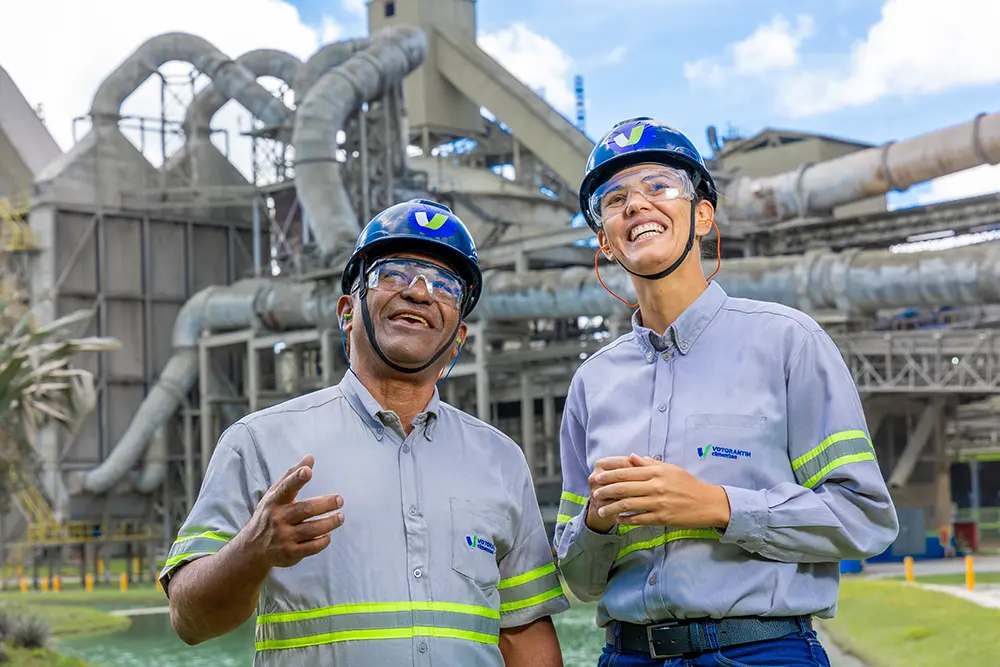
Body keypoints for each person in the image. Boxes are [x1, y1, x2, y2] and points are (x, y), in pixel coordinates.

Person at [159, 199, 569, 666]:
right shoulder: (258, 442)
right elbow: (188, 621)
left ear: (458, 338)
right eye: (394, 273)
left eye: (444, 285)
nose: (419, 293)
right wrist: (251, 552)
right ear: (347, 311)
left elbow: (524, 633)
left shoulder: (499, 458)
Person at [552, 118, 899, 667]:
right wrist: (596, 521)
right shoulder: (593, 383)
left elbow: (864, 518)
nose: (637, 204)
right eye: (615, 199)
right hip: (629, 655)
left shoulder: (788, 342)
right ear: (605, 240)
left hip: (762, 652)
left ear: (703, 215)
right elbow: (581, 580)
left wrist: (716, 505)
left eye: (659, 186)